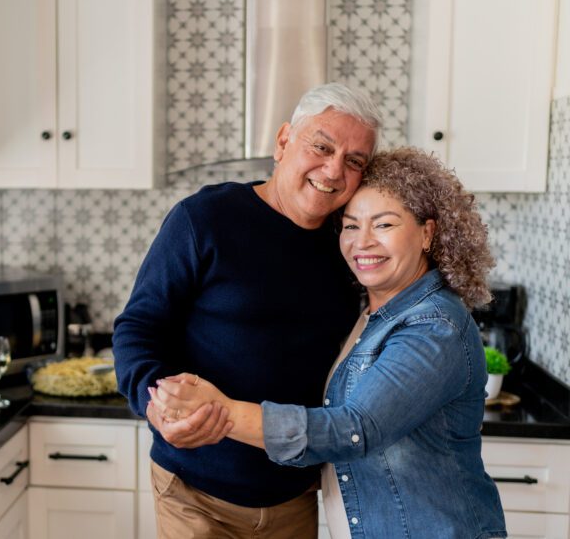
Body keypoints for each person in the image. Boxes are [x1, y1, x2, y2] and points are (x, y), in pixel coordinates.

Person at [151, 147, 508, 538]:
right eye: (351, 226)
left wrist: (219, 412)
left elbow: (354, 429)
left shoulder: (434, 324)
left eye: (384, 225)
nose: (363, 242)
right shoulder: (374, 312)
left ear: (427, 232)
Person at [113, 83, 382, 538]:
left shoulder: (350, 244)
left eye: (354, 161)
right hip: (195, 494)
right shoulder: (204, 219)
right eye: (321, 145)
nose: (333, 169)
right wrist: (154, 403)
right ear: (282, 142)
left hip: (295, 494)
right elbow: (138, 326)